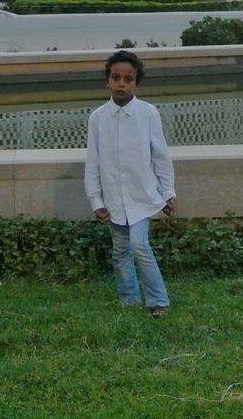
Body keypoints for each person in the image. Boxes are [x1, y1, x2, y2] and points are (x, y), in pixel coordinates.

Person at [84, 50, 177, 318]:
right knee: (121, 251)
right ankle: (129, 299)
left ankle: (159, 301)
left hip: (142, 197)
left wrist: (168, 193)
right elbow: (93, 162)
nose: (121, 84)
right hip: (113, 199)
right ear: (108, 81)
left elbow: (160, 156)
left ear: (136, 83)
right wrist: (97, 201)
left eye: (128, 79)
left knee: (139, 244)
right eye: (116, 78)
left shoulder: (148, 113)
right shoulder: (98, 118)